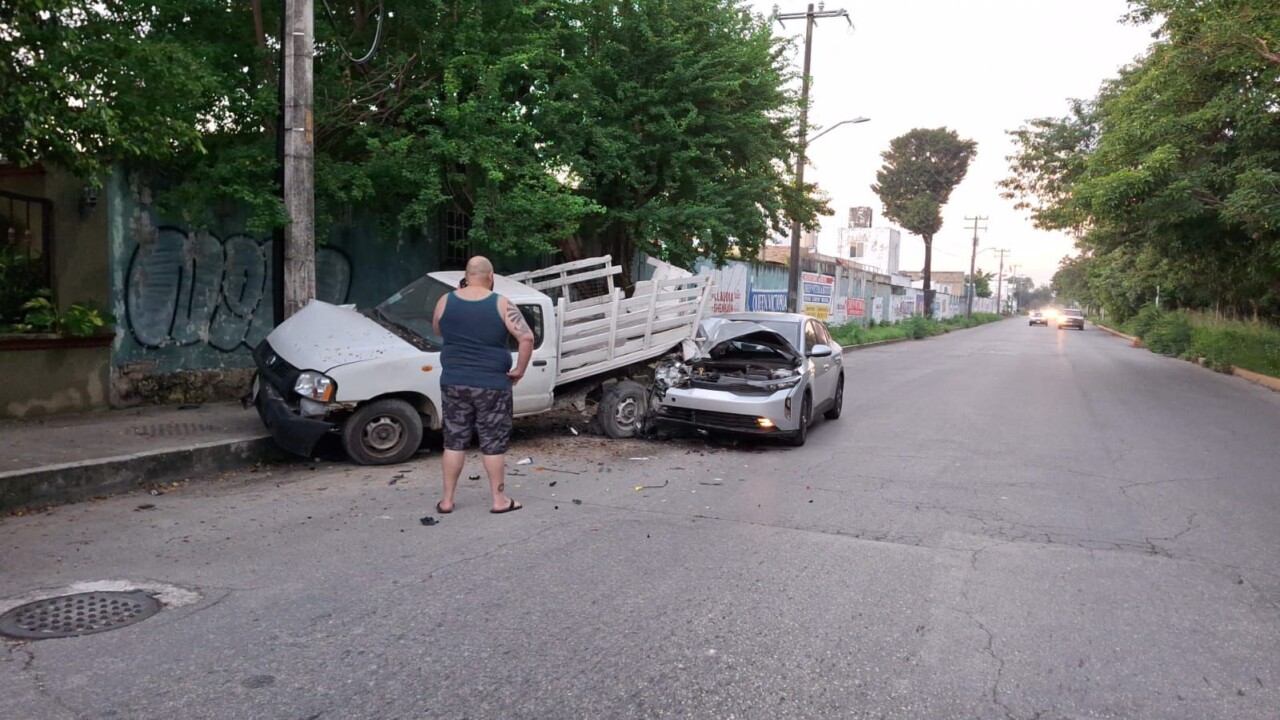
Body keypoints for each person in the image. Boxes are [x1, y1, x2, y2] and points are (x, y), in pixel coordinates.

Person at [431, 256, 534, 515]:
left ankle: (446, 500)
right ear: (491, 276)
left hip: (454, 382)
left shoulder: (445, 301)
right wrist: (519, 370)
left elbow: (438, 329)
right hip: (492, 384)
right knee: (492, 443)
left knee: (453, 440)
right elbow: (526, 337)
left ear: (466, 275)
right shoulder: (501, 303)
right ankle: (499, 501)